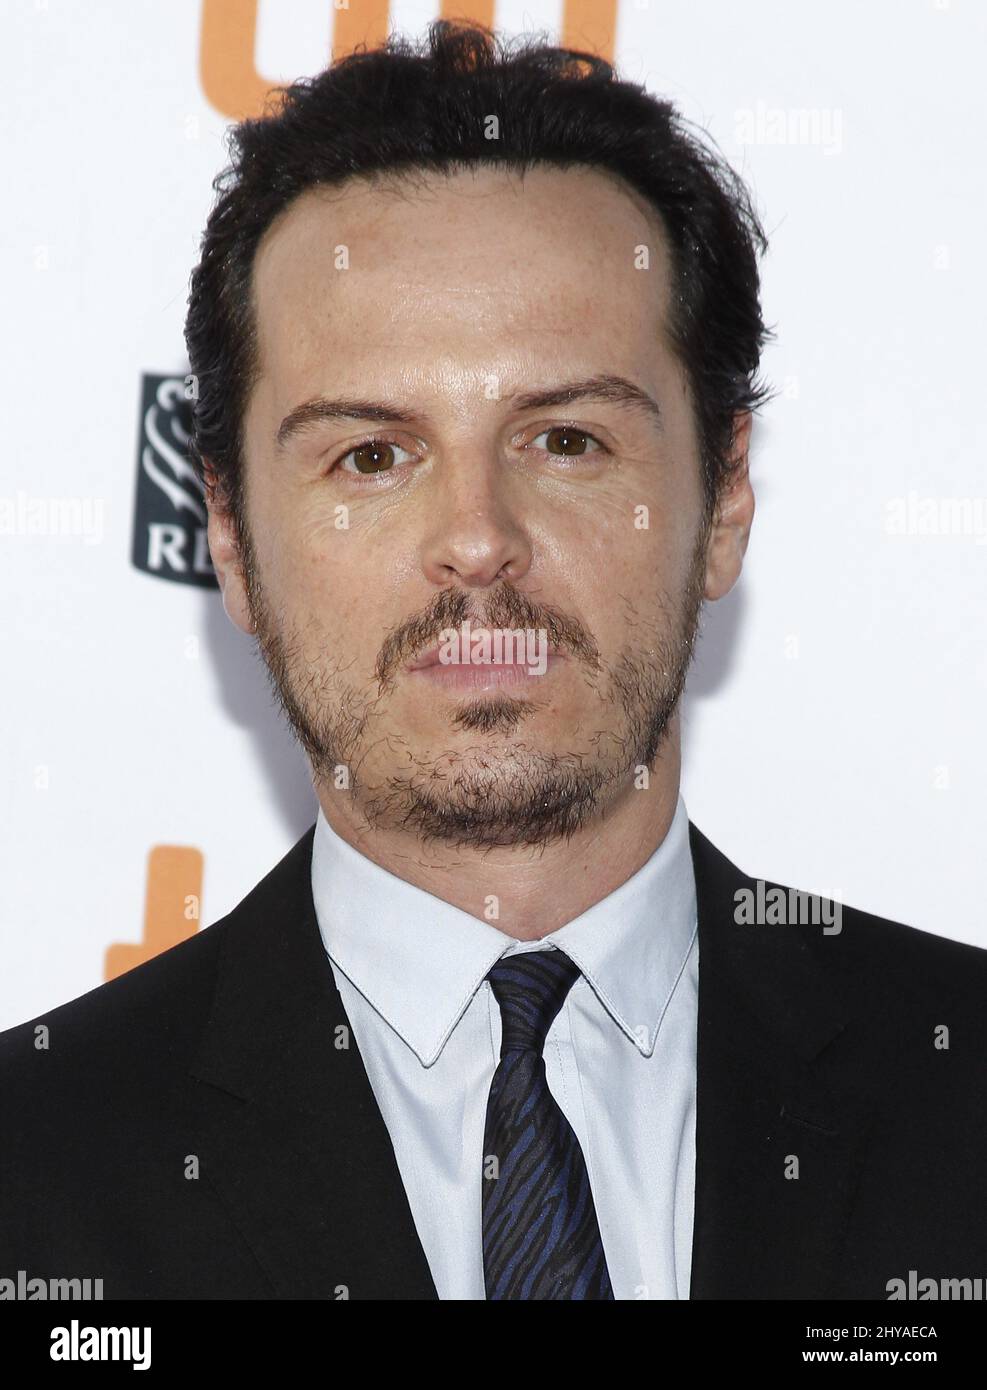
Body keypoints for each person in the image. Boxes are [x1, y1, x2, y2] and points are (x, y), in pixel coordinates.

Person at [2, 19, 985, 1302]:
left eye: (566, 440)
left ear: (724, 497)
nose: (477, 541)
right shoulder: (31, 1175)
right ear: (232, 539)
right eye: (370, 454)